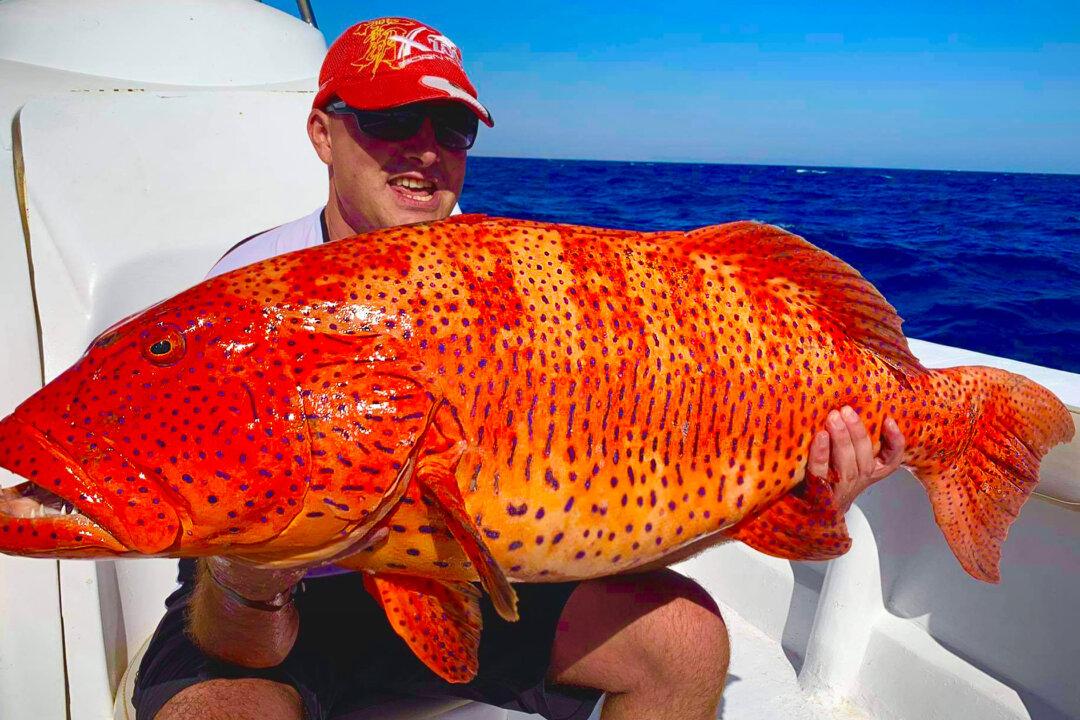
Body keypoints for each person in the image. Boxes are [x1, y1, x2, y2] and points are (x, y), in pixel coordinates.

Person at [133, 17, 907, 720]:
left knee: (688, 641)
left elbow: (598, 521)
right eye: (391, 119)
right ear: (322, 133)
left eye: (452, 126)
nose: (425, 148)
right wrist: (255, 572)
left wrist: (785, 494)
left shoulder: (514, 283)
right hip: (283, 594)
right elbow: (243, 642)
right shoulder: (247, 294)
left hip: (474, 576)